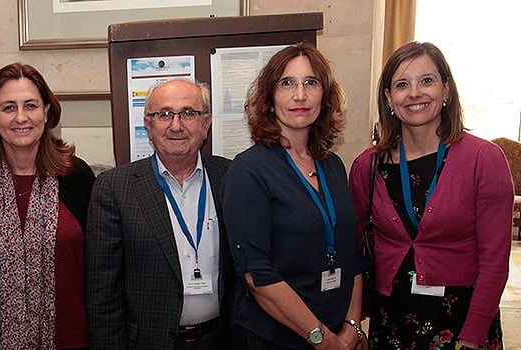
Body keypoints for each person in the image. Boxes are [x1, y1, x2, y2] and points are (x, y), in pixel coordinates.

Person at [348, 41, 512, 350]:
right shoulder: (367, 166)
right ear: (388, 98)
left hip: (462, 325)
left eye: (427, 80)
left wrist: (473, 336)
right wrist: (354, 324)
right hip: (391, 325)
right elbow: (353, 251)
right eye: (401, 84)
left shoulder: (484, 159)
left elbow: (495, 259)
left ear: (446, 89)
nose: (414, 93)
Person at [222, 42, 366, 349]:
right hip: (274, 339)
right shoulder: (249, 170)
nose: (299, 95)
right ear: (269, 99)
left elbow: (352, 257)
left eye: (310, 83)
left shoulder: (333, 165)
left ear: (324, 96)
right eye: (286, 83)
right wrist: (323, 339)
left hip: (338, 333)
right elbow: (256, 275)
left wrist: (352, 329)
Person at [86, 78, 233, 349]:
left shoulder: (230, 177)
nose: (176, 125)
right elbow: (102, 294)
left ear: (206, 123)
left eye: (189, 113)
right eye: (164, 114)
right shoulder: (115, 188)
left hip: (221, 339)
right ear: (148, 125)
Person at [0, 62, 95, 349]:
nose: (21, 117)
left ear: (46, 111)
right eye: (8, 107)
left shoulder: (77, 178)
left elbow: (97, 267)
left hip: (72, 340)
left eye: (30, 105)